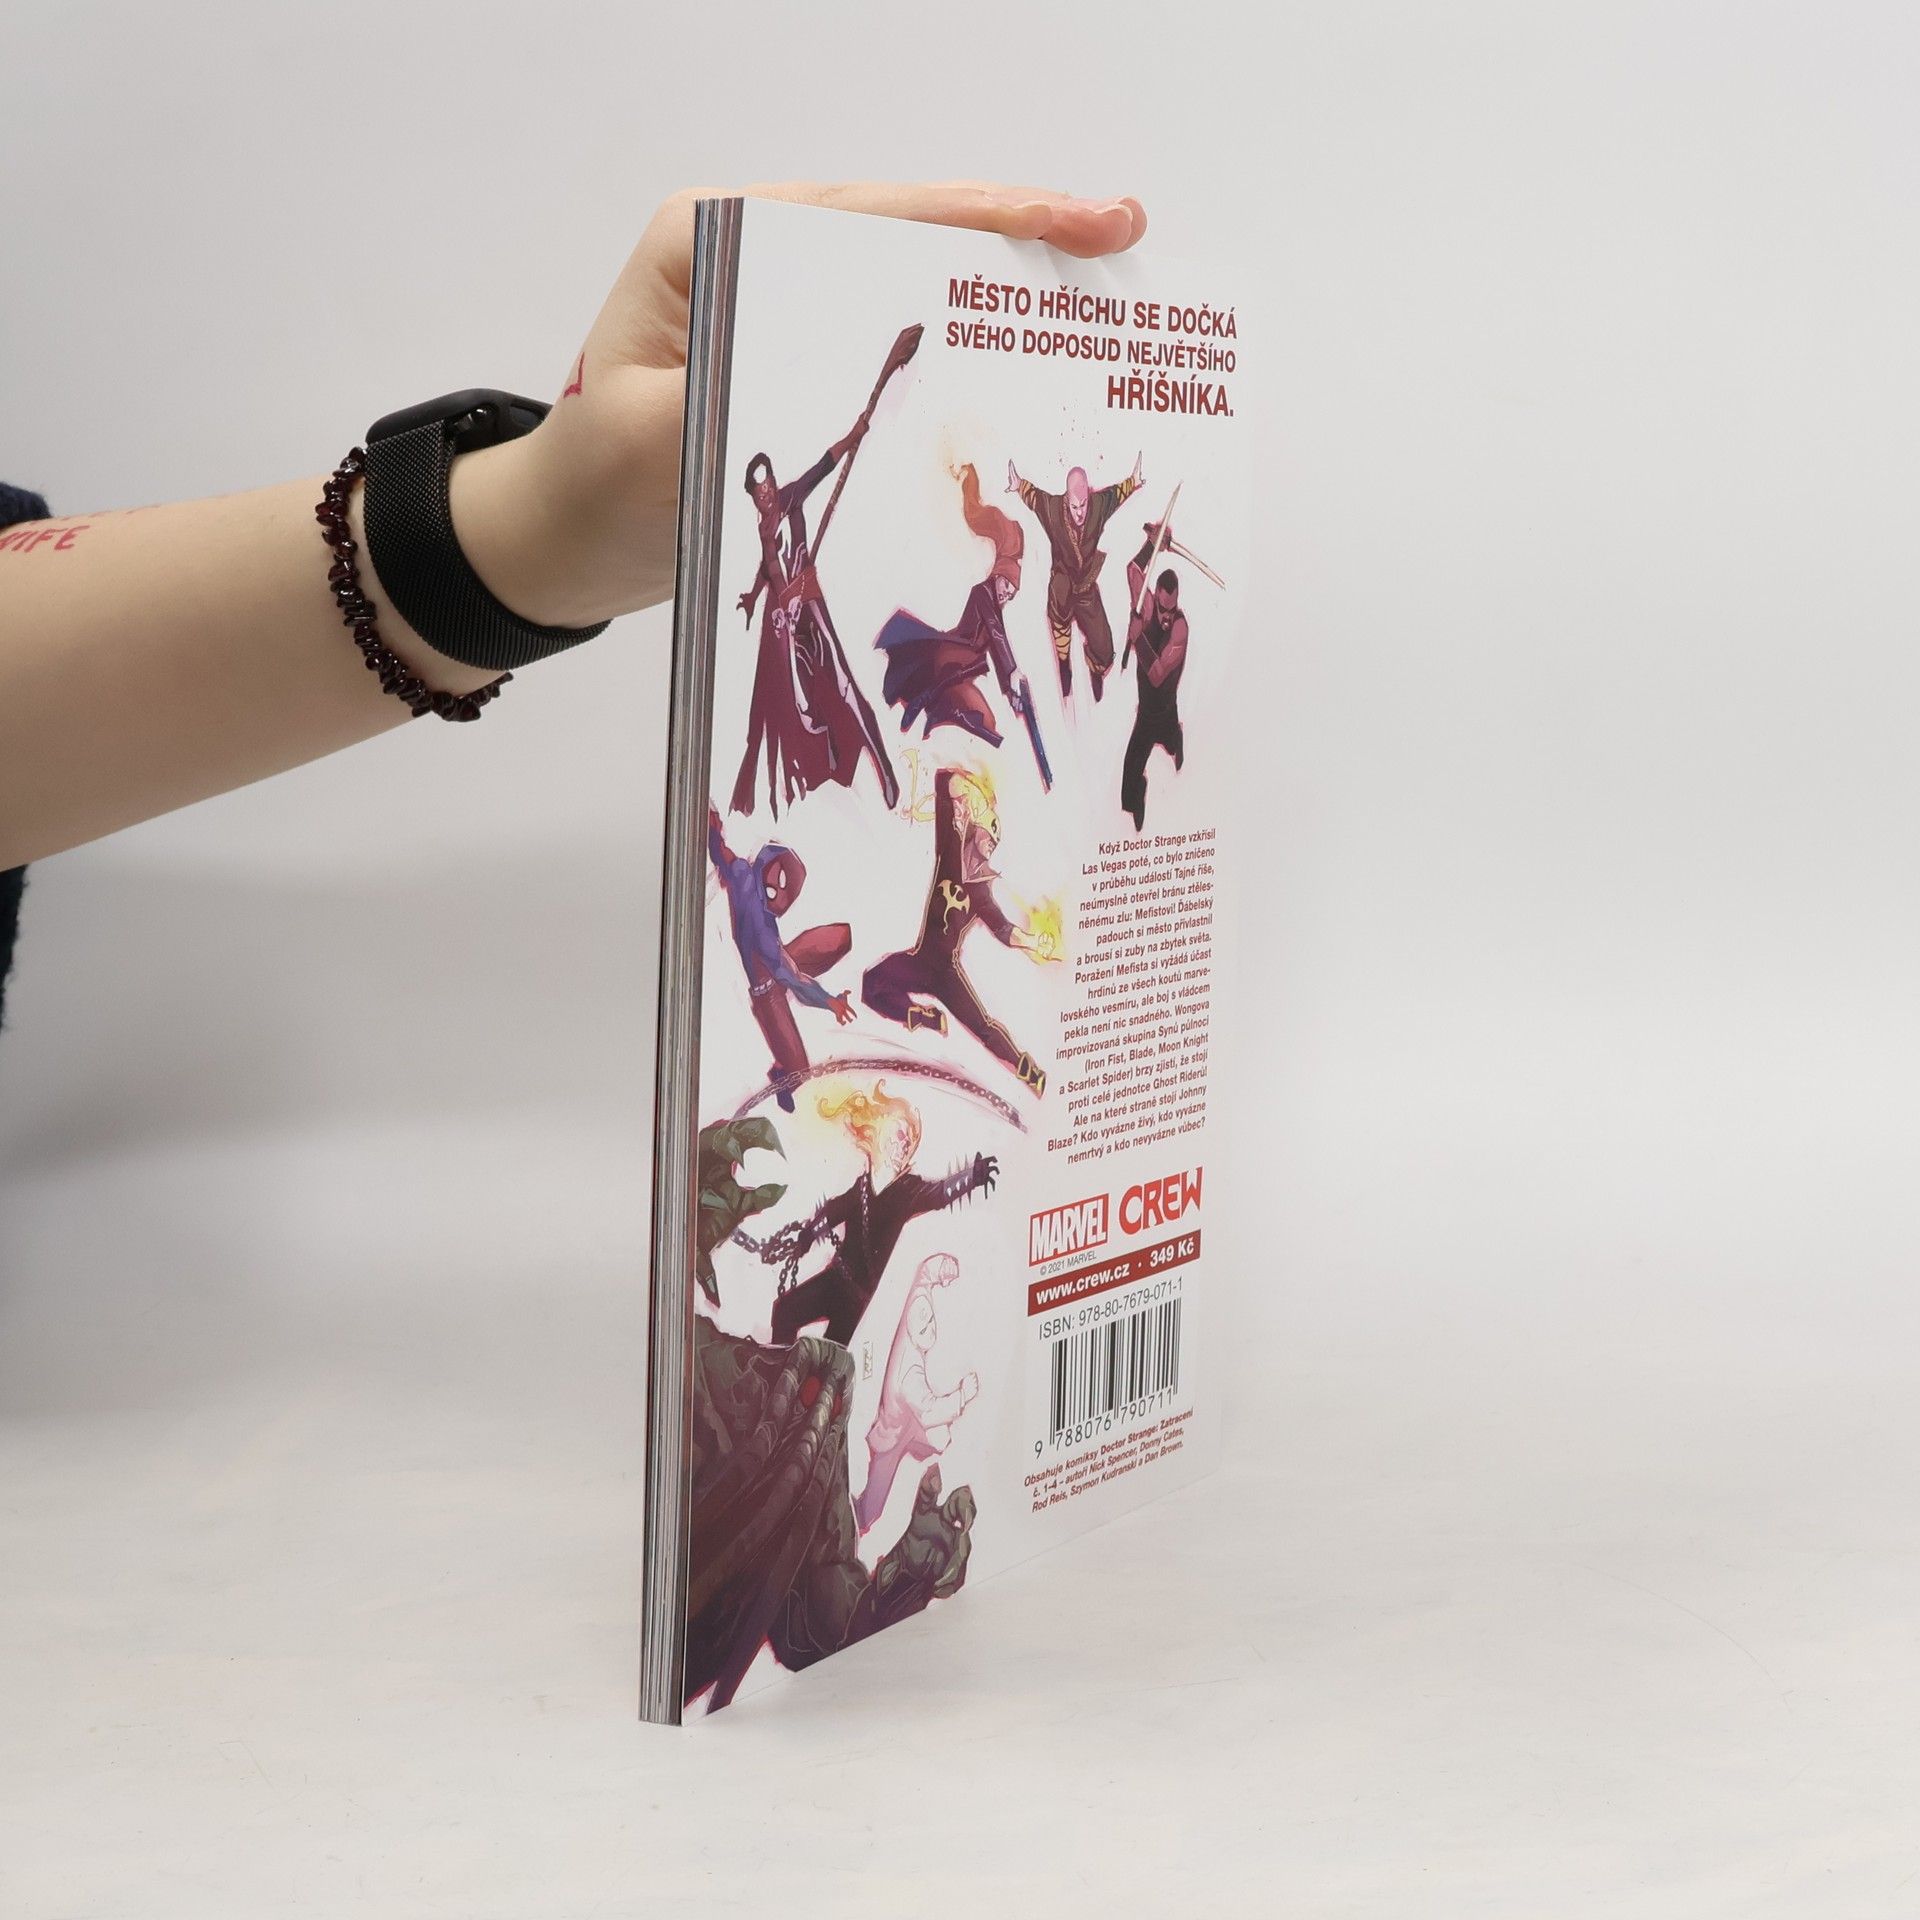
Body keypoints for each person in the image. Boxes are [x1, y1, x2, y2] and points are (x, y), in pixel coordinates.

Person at [0, 183, 1148, 1024]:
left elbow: (823, 461)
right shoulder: (777, 512)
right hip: (786, 630)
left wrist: (534, 526)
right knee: (811, 732)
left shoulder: (792, 494)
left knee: (845, 725)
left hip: (785, 615)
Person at [861, 764, 1057, 1097]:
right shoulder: (950, 849)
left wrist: (1032, 942)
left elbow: (1003, 929)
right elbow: (942, 784)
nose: (993, 843)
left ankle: (1030, 1072)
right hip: (919, 961)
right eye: (991, 833)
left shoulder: (981, 893)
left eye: (996, 840)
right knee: (871, 983)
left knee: (983, 1026)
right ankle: (925, 1018)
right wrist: (967, 789)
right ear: (977, 828)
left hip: (946, 973)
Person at [706, 806, 854, 1111]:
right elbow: (793, 980)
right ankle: (781, 1071)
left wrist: (712, 831)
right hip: (769, 991)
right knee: (800, 1075)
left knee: (840, 937)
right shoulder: (762, 932)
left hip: (781, 958)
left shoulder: (742, 873)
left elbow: (723, 854)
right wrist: (830, 1002)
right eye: (777, 888)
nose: (783, 897)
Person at [1007, 452, 1144, 702]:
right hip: (1062, 583)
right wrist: (1018, 485)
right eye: (1074, 507)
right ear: (1067, 500)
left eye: (1083, 505)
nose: (1080, 513)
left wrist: (1133, 481)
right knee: (1059, 613)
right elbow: (1034, 497)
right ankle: (1064, 666)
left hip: (1086, 586)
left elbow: (1116, 494)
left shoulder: (1099, 505)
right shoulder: (1053, 509)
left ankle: (1095, 669)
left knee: (1105, 650)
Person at [1120, 523, 1189, 829]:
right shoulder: (1147, 607)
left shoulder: (1180, 629)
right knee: (1129, 780)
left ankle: (1176, 739)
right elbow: (1133, 571)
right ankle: (1137, 798)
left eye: (1170, 610)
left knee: (1171, 741)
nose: (1165, 617)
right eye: (1162, 607)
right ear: (1157, 596)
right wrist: (1152, 545)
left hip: (1165, 709)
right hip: (1146, 713)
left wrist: (1138, 639)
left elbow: (1158, 675)